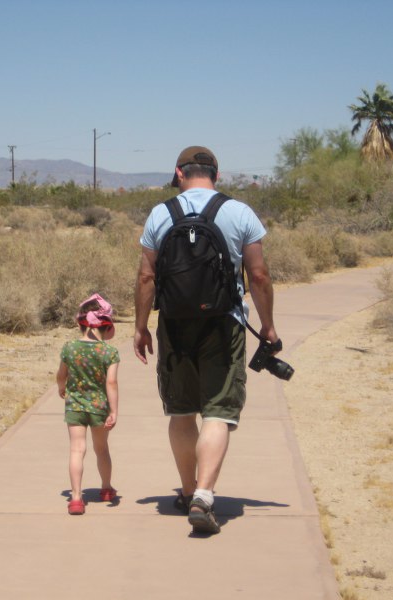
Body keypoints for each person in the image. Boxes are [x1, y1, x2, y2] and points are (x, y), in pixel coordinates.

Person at [133, 146, 280, 535]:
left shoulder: (160, 214)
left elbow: (146, 276)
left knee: (181, 411)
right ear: (216, 174)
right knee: (218, 411)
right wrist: (267, 326)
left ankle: (186, 492)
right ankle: (203, 495)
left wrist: (141, 326)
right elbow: (259, 275)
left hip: (175, 324)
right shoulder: (239, 212)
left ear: (179, 173)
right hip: (224, 324)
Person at [57, 293, 120, 515]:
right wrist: (114, 410)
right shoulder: (109, 352)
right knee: (101, 449)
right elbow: (111, 382)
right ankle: (106, 489)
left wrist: (62, 387)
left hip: (74, 406)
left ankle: (76, 498)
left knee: (77, 449)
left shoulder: (69, 348)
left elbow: (61, 374)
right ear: (107, 326)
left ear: (80, 323)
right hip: (99, 407)